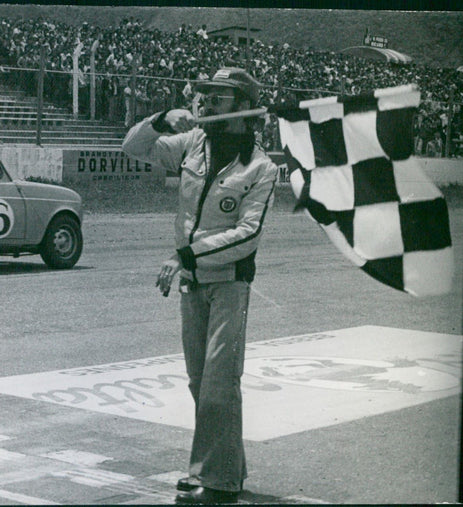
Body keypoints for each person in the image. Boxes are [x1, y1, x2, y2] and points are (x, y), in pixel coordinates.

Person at [122, 67, 278, 505]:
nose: (206, 102)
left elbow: (247, 234)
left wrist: (186, 256)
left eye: (219, 96)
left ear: (244, 106)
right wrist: (159, 120)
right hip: (193, 284)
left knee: (218, 385)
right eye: (204, 95)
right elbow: (133, 148)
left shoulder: (261, 168)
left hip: (229, 284)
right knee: (199, 382)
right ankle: (218, 469)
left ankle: (221, 483)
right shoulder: (192, 144)